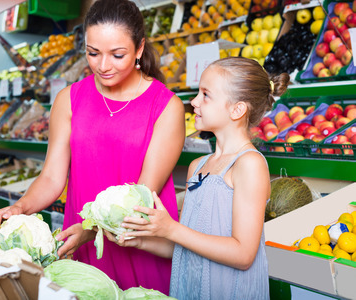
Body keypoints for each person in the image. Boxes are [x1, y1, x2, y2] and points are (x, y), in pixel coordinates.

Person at [0, 0, 185, 294]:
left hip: (140, 246)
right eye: (93, 53)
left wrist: (90, 230)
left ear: (139, 49)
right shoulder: (69, 99)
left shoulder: (166, 107)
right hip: (83, 250)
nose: (103, 66)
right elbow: (52, 178)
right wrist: (20, 207)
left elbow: (141, 196)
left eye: (117, 55)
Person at [114, 57, 290, 299]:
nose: (194, 102)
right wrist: (142, 241)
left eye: (206, 95)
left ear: (237, 109)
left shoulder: (249, 164)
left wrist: (172, 229)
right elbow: (188, 246)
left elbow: (243, 255)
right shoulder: (198, 166)